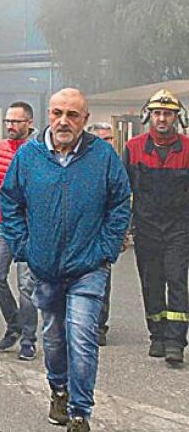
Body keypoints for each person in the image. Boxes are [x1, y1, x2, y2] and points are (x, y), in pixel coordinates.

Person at [0, 88, 130, 432]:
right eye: (57, 113)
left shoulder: (102, 156)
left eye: (73, 115)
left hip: (89, 267)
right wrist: (24, 247)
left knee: (82, 337)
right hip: (44, 267)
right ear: (48, 115)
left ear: (84, 120)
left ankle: (79, 416)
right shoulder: (29, 156)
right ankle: (58, 389)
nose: (63, 121)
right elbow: (11, 201)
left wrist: (105, 249)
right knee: (54, 337)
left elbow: (120, 202)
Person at [123, 91, 189, 364]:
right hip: (146, 228)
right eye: (158, 113)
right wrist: (123, 229)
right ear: (149, 116)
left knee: (177, 280)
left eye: (168, 114)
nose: (162, 119)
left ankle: (175, 341)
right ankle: (157, 336)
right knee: (151, 283)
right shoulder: (133, 148)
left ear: (177, 117)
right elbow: (122, 191)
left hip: (179, 229)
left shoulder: (187, 148)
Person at [0, 101, 40, 361]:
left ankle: (28, 339)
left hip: (29, 228)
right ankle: (14, 323)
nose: (10, 126)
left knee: (27, 286)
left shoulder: (40, 150)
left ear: (29, 123)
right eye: (8, 121)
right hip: (3, 225)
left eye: (15, 121)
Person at [90, 121, 117, 346]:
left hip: (104, 234)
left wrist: (121, 233)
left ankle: (99, 326)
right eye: (103, 139)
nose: (108, 143)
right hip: (79, 232)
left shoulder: (116, 165)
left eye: (110, 139)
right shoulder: (79, 163)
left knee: (102, 281)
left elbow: (121, 201)